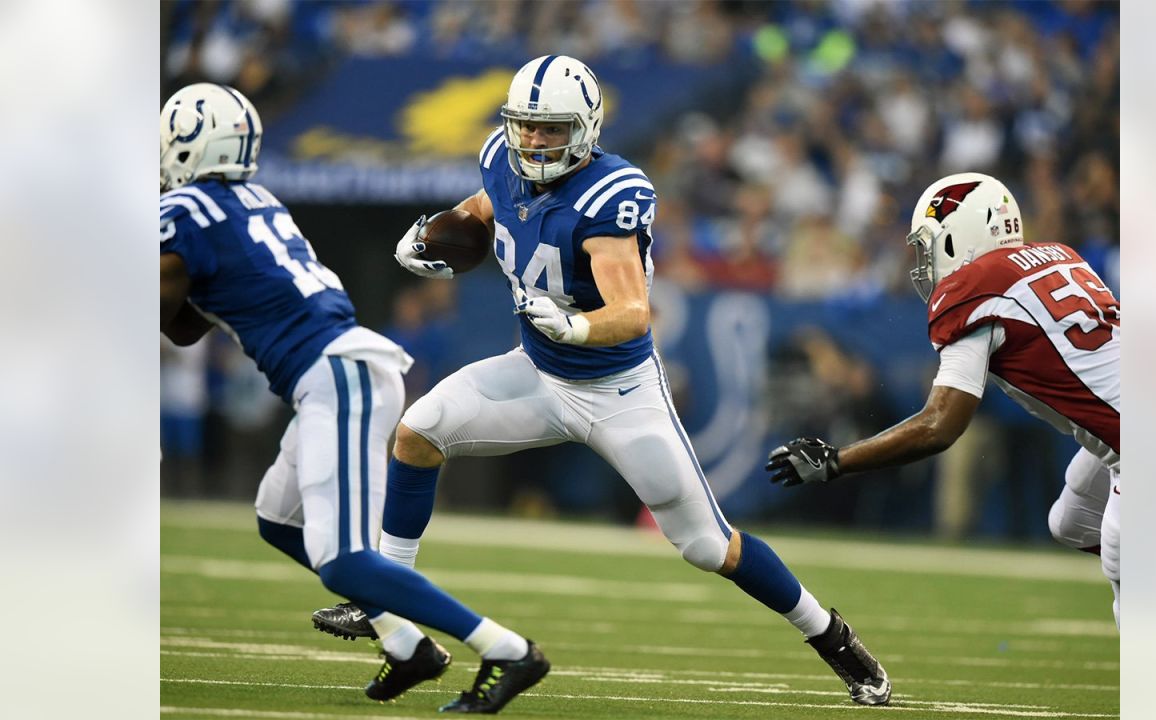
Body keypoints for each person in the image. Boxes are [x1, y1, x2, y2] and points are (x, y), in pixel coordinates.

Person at [310, 55, 893, 708]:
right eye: (525, 127)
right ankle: (385, 598)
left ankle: (833, 637)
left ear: (586, 130)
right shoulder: (500, 160)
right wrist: (440, 233)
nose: (532, 141)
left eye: (550, 129)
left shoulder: (608, 194)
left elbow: (631, 312)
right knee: (418, 431)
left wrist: (576, 327)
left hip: (619, 393)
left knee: (709, 545)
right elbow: (485, 207)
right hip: (536, 372)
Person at [159, 83, 544, 714]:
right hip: (341, 368)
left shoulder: (183, 213)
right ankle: (404, 642)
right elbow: (187, 321)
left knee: (342, 561)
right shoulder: (254, 201)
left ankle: (506, 649)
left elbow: (168, 314)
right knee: (278, 519)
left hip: (334, 374)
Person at [766, 172, 1121, 627]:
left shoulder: (975, 289)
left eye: (931, 244)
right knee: (1071, 521)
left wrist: (837, 460)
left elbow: (940, 425)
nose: (925, 260)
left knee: (1120, 554)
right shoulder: (1060, 255)